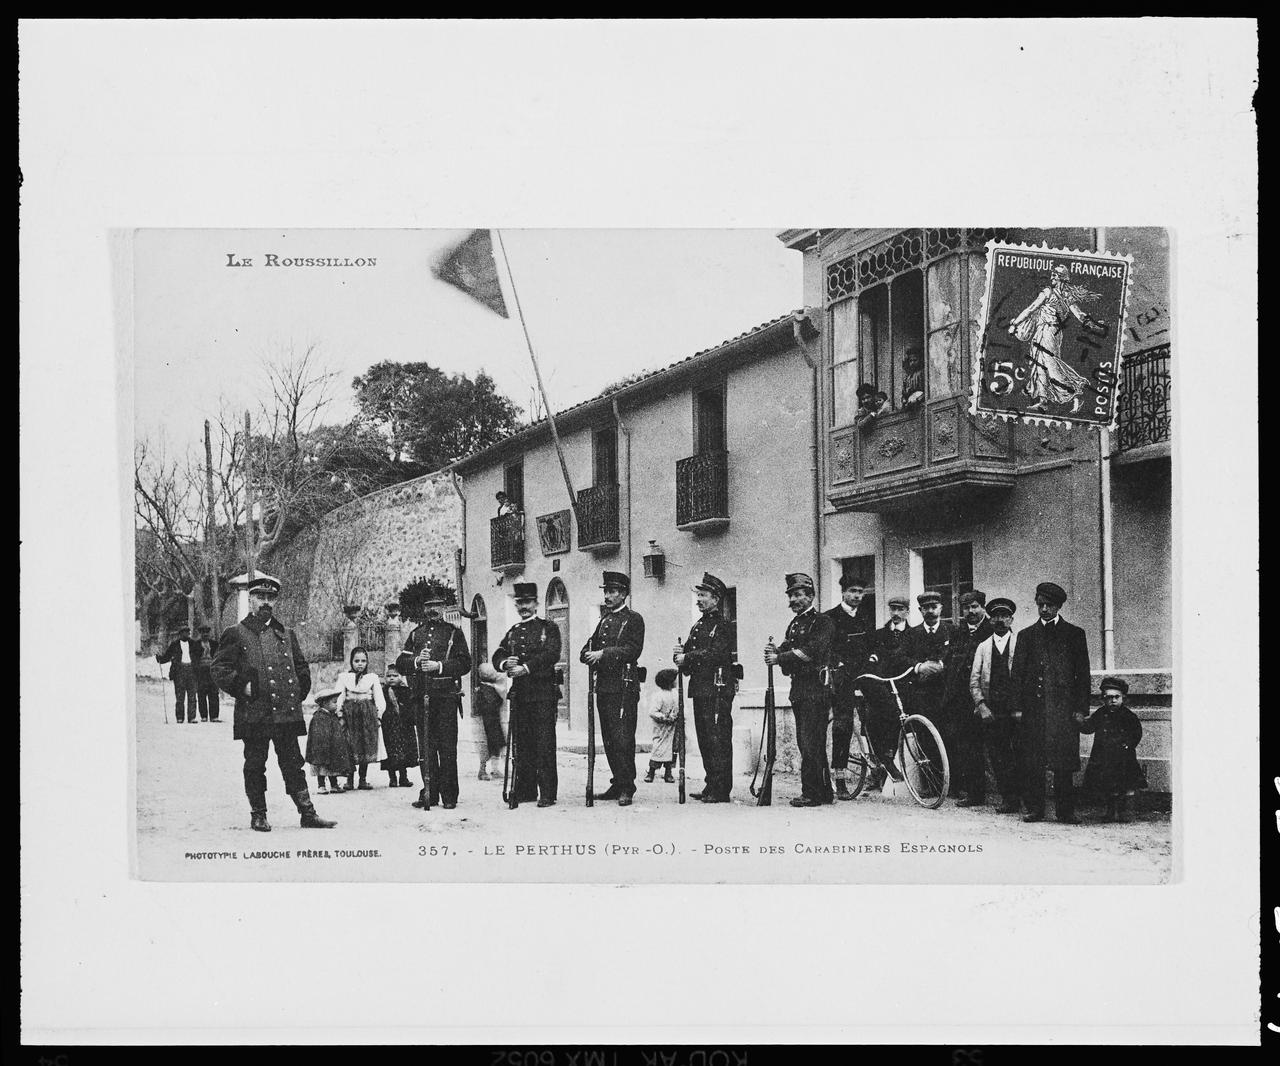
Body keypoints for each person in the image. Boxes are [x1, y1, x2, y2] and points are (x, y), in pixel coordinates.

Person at [210, 574, 335, 832]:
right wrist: (241, 686)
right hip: (255, 713)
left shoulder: (287, 634)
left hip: (286, 713)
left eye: (270, 597)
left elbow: (301, 667)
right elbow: (219, 668)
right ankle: (258, 815)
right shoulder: (236, 633)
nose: (266, 602)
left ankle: (308, 813)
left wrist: (298, 692)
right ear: (251, 599)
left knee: (293, 764)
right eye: (260, 597)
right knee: (255, 764)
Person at [1010, 581, 1092, 824]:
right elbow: (1017, 675)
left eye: (1049, 605)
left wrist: (1081, 709)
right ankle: (1035, 809)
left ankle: (1065, 811)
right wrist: (1017, 707)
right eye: (1041, 605)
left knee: (1063, 762)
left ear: (1058, 607)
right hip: (1034, 710)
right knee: (1033, 761)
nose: (1044, 609)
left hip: (1063, 711)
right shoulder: (1026, 635)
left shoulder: (1074, 634)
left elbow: (1083, 675)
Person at [396, 590, 472, 810]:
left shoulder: (454, 633)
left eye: (437, 605)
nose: (433, 609)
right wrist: (417, 661)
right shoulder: (416, 634)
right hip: (422, 697)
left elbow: (465, 663)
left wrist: (439, 666)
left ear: (444, 608)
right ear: (424, 608)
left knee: (447, 747)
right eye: (429, 605)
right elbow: (401, 663)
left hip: (446, 698)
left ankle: (449, 795)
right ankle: (429, 792)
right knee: (426, 748)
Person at [765, 573, 835, 808]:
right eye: (791, 596)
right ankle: (823, 791)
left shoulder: (822, 622)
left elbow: (811, 651)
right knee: (807, 742)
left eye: (797, 595)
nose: (793, 600)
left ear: (811, 596)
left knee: (810, 742)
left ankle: (811, 794)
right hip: (799, 690)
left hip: (816, 689)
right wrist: (775, 651)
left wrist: (780, 657)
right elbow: (788, 648)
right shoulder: (794, 624)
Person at [581, 570, 646, 807]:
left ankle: (627, 786)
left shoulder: (633, 619)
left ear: (623, 594)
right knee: (609, 738)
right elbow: (587, 648)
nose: (607, 596)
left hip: (624, 688)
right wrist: (587, 654)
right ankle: (617, 782)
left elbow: (633, 650)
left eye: (612, 592)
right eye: (606, 591)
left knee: (623, 738)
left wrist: (603, 654)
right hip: (605, 688)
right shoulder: (604, 621)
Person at [494, 582, 562, 807]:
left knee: (544, 743)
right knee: (522, 744)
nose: (524, 607)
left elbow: (552, 654)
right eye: (520, 603)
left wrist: (525, 668)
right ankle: (526, 790)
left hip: (543, 694)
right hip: (520, 695)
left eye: (528, 602)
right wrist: (506, 663)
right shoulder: (513, 632)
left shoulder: (548, 628)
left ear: (536, 604)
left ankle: (547, 793)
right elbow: (498, 655)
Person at [1007, 264, 1108, 412]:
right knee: (1040, 363)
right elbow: (1080, 316)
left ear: (1062, 278)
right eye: (1052, 274)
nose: (1052, 277)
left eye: (1055, 275)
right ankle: (1043, 400)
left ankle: (1075, 392)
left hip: (1049, 332)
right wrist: (1095, 324)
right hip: (1046, 331)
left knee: (1050, 365)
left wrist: (1014, 324)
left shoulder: (1050, 293)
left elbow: (1031, 309)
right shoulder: (1065, 296)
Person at [673, 573, 737, 804]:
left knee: (718, 739)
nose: (699, 599)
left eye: (703, 595)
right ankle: (711, 784)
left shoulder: (723, 625)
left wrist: (687, 657)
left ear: (716, 599)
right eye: (698, 595)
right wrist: (679, 656)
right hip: (701, 689)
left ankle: (721, 790)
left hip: (718, 689)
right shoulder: (698, 626)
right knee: (705, 739)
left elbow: (716, 654)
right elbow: (689, 656)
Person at [968, 597, 1022, 813]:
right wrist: (982, 706)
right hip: (992, 711)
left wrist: (1020, 708)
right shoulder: (983, 647)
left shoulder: (1021, 643)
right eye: (996, 616)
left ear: (1011, 619)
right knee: (998, 756)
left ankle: (1025, 799)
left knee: (1020, 755)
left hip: (1016, 711)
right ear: (990, 620)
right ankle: (1008, 799)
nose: (1000, 620)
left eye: (1005, 616)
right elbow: (974, 681)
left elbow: (1026, 679)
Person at [824, 572, 874, 800]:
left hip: (863, 675)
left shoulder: (865, 617)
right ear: (843, 592)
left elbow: (873, 644)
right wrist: (838, 663)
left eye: (860, 592)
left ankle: (881, 764)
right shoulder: (830, 618)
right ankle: (840, 779)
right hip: (842, 679)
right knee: (842, 726)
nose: (857, 596)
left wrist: (873, 656)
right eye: (852, 591)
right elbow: (826, 649)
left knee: (876, 717)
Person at [946, 590, 994, 804]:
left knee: (996, 747)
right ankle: (974, 793)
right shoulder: (959, 632)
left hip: (986, 699)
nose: (971, 611)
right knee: (968, 746)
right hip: (961, 700)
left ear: (983, 607)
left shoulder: (992, 629)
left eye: (975, 606)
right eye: (966, 608)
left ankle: (1010, 795)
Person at [1078, 677, 1146, 822]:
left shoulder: (1128, 716)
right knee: (1108, 786)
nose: (1113, 701)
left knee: (1126, 786)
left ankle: (1124, 812)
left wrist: (1128, 745)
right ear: (1103, 698)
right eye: (1109, 697)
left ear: (1123, 698)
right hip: (1105, 758)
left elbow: (1136, 733)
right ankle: (1110, 811)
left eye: (1116, 697)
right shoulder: (1100, 714)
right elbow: (1089, 727)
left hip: (1123, 757)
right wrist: (1080, 723)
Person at [862, 594, 913, 786]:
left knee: (903, 725)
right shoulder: (878, 635)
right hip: (882, 687)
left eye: (900, 609)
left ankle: (903, 770)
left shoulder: (913, 634)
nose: (896, 613)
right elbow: (870, 659)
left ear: (907, 612)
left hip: (904, 686)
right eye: (893, 609)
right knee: (875, 722)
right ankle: (878, 769)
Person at [901, 591, 955, 727]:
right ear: (920, 610)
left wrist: (941, 665)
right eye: (926, 608)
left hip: (946, 694)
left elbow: (959, 656)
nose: (930, 611)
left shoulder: (953, 631)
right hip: (921, 696)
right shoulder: (911, 634)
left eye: (934, 607)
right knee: (923, 732)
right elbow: (902, 657)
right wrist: (919, 667)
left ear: (941, 608)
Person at [335, 647, 385, 791]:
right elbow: (339, 697)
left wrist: (379, 716)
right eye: (356, 661)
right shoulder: (344, 677)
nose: (360, 664)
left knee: (365, 744)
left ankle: (363, 779)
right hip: (350, 715)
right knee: (349, 745)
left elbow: (379, 698)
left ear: (367, 662)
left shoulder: (372, 678)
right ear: (351, 662)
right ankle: (349, 779)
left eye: (363, 661)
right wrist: (340, 714)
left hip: (367, 715)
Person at [305, 686, 353, 795]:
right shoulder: (319, 717)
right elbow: (317, 735)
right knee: (321, 768)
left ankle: (334, 785)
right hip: (321, 748)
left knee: (332, 768)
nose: (336, 705)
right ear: (325, 703)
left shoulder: (332, 716)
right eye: (334, 702)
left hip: (332, 748)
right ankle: (321, 786)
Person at [378, 667, 418, 789]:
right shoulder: (383, 691)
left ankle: (403, 777)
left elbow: (411, 706)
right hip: (389, 726)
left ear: (400, 677)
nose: (391, 678)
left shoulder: (406, 690)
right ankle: (392, 778)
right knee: (391, 752)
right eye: (389, 676)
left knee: (404, 752)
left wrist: (411, 718)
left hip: (403, 726)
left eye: (395, 676)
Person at [156, 624, 199, 724]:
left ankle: (192, 717)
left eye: (187, 632)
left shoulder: (194, 644)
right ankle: (180, 717)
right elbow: (167, 656)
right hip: (179, 671)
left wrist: (196, 665)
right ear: (180, 634)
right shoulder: (174, 644)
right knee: (180, 696)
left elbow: (199, 653)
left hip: (191, 670)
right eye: (184, 632)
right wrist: (160, 659)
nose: (186, 634)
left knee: (192, 696)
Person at [471, 664, 507, 782]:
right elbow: (494, 703)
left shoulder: (487, 688)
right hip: (487, 723)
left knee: (494, 746)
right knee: (486, 747)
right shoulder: (486, 689)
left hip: (492, 723)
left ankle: (495, 769)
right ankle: (482, 770)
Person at [643, 668, 679, 784]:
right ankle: (651, 772)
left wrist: (675, 716)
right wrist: (663, 717)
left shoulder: (676, 694)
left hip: (672, 727)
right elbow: (652, 711)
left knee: (672, 749)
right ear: (669, 681)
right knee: (658, 748)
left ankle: (668, 773)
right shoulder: (658, 695)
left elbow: (680, 708)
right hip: (661, 727)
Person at [194, 624, 221, 722]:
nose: (205, 634)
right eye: (203, 633)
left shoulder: (214, 644)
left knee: (214, 693)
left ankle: (214, 716)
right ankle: (204, 716)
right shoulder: (196, 644)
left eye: (207, 632)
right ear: (200, 634)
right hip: (201, 671)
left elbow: (219, 656)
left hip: (212, 670)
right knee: (201, 693)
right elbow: (193, 658)